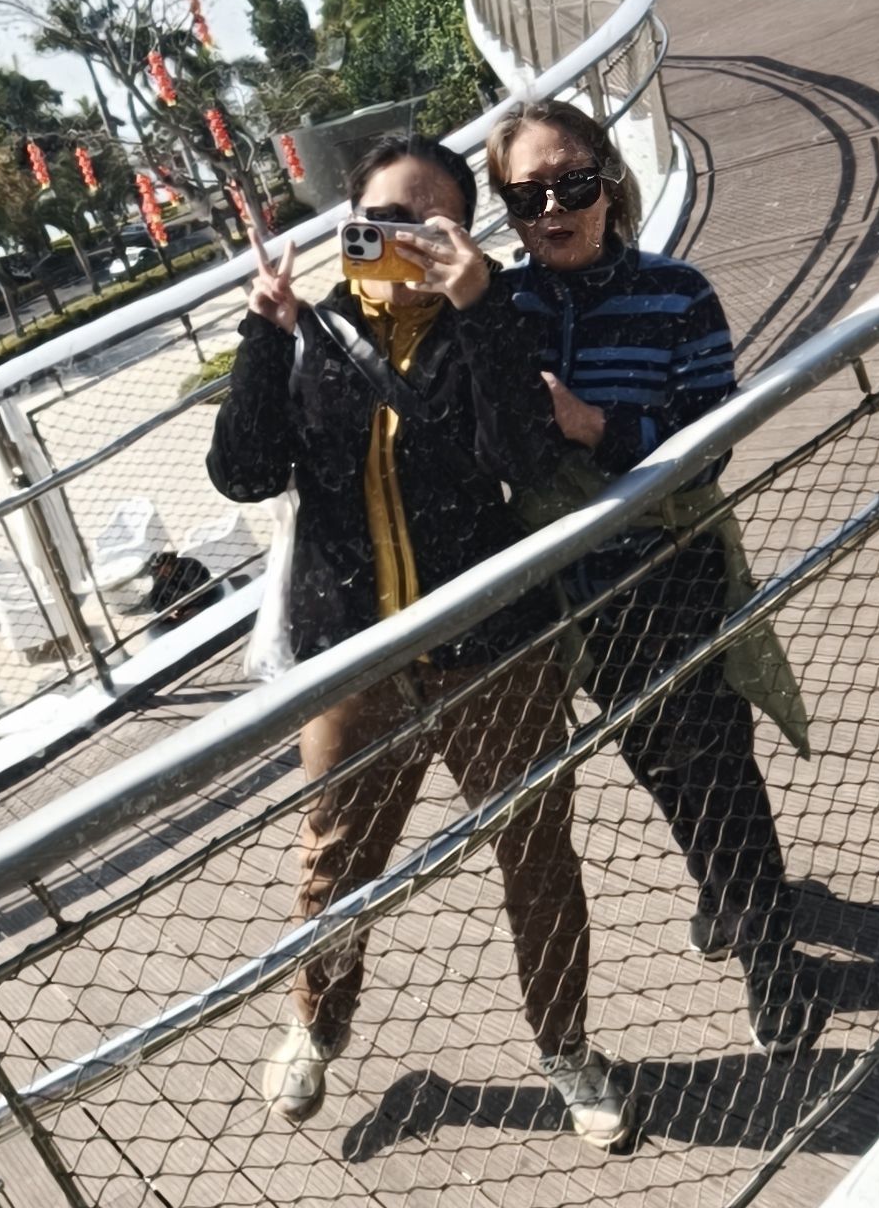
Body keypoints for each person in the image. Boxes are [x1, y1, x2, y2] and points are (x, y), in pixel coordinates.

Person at [211, 134, 632, 1149]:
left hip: (496, 650)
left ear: (463, 236)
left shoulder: (489, 323)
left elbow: (522, 455)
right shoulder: (310, 336)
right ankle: (317, 1021)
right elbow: (243, 473)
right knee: (336, 861)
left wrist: (478, 304)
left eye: (429, 224)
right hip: (355, 658)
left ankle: (566, 1047)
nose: (400, 240)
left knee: (536, 857)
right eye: (382, 219)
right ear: (349, 222)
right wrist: (263, 332)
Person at [490, 97, 821, 1049]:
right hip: (576, 589)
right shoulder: (500, 311)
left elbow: (708, 444)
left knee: (715, 757)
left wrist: (593, 426)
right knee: (652, 755)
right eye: (526, 196)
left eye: (572, 185)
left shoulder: (679, 293)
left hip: (673, 563)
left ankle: (771, 953)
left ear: (609, 180)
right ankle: (722, 883)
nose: (554, 210)